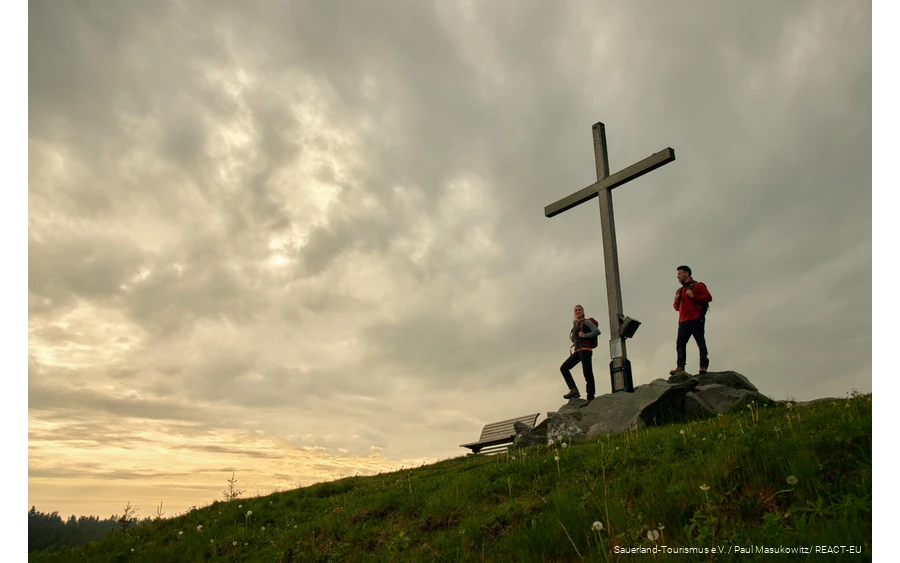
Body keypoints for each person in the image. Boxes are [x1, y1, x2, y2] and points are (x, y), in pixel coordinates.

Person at [670, 265, 712, 375]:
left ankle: (703, 366)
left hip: (696, 319)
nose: (678, 277)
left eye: (680, 274)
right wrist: (676, 300)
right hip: (683, 321)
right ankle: (680, 367)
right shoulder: (679, 291)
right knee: (680, 344)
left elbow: (708, 297)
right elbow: (676, 308)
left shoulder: (698, 286)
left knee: (700, 342)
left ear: (686, 274)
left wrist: (694, 296)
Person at [561, 304, 601, 403]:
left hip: (585, 350)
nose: (578, 312)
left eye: (579, 310)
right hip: (577, 351)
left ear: (583, 312)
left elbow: (597, 331)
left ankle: (590, 397)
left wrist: (585, 335)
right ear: (574, 313)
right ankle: (574, 390)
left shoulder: (587, 322)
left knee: (587, 373)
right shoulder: (575, 324)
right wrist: (573, 339)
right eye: (576, 310)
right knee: (564, 368)